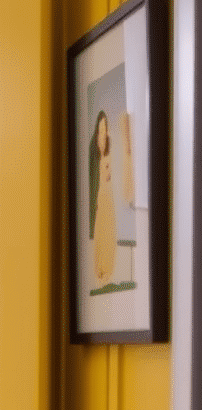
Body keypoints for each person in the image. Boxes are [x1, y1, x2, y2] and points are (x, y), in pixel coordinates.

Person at [89, 110, 116, 285]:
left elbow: (110, 175)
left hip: (108, 198)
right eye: (101, 130)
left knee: (108, 233)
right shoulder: (94, 153)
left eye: (105, 129)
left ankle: (107, 272)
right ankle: (99, 272)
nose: (104, 134)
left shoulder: (109, 152)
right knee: (100, 234)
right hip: (100, 198)